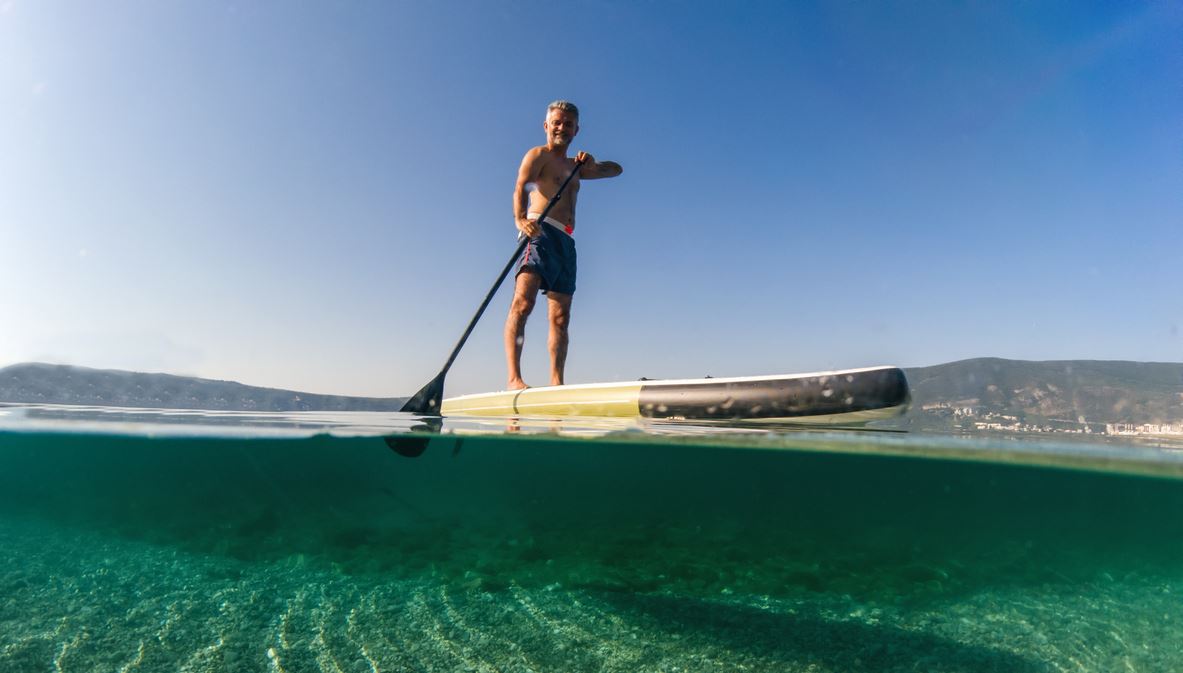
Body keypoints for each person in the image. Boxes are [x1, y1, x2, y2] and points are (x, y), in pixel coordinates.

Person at [504, 100, 622, 391]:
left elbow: (615, 170)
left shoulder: (576, 166)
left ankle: (556, 382)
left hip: (566, 242)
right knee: (523, 302)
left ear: (576, 130)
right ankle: (514, 378)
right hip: (540, 232)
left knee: (560, 316)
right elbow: (521, 187)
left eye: (568, 124)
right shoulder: (538, 155)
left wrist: (592, 163)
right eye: (556, 122)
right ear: (546, 125)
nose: (561, 127)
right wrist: (520, 220)